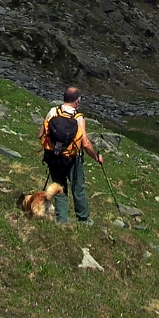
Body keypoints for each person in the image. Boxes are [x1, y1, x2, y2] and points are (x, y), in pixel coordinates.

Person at [38, 86, 103, 223]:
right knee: (78, 186)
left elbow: (40, 134)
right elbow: (85, 143)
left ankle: (61, 219)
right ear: (77, 101)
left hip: (53, 156)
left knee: (59, 186)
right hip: (72, 158)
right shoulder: (78, 118)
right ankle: (83, 219)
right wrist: (96, 157)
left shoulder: (53, 111)